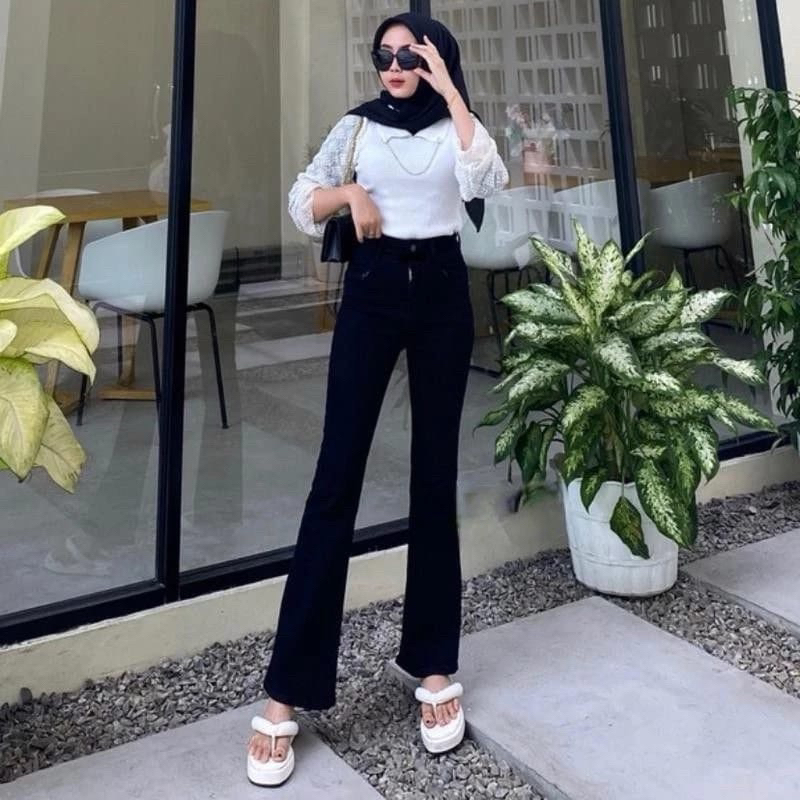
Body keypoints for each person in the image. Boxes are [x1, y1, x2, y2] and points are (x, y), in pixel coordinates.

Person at [246, 12, 508, 787]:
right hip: (373, 289)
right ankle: (286, 690)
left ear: (436, 60)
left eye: (411, 55)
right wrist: (350, 192)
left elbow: (485, 178)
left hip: (443, 293)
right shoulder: (356, 126)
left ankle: (432, 665)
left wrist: (450, 91)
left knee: (434, 476)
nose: (394, 65)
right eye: (384, 54)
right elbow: (302, 199)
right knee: (336, 479)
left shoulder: (457, 126)